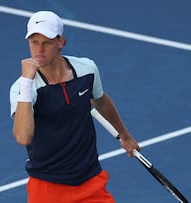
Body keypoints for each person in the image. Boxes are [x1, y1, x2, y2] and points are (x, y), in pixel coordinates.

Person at [9, 11, 140, 203]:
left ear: (60, 42)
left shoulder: (86, 70)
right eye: (34, 42)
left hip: (90, 181)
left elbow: (100, 100)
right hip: (47, 188)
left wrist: (125, 135)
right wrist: (27, 82)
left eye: (46, 42)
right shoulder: (23, 88)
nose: (39, 49)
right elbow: (23, 136)